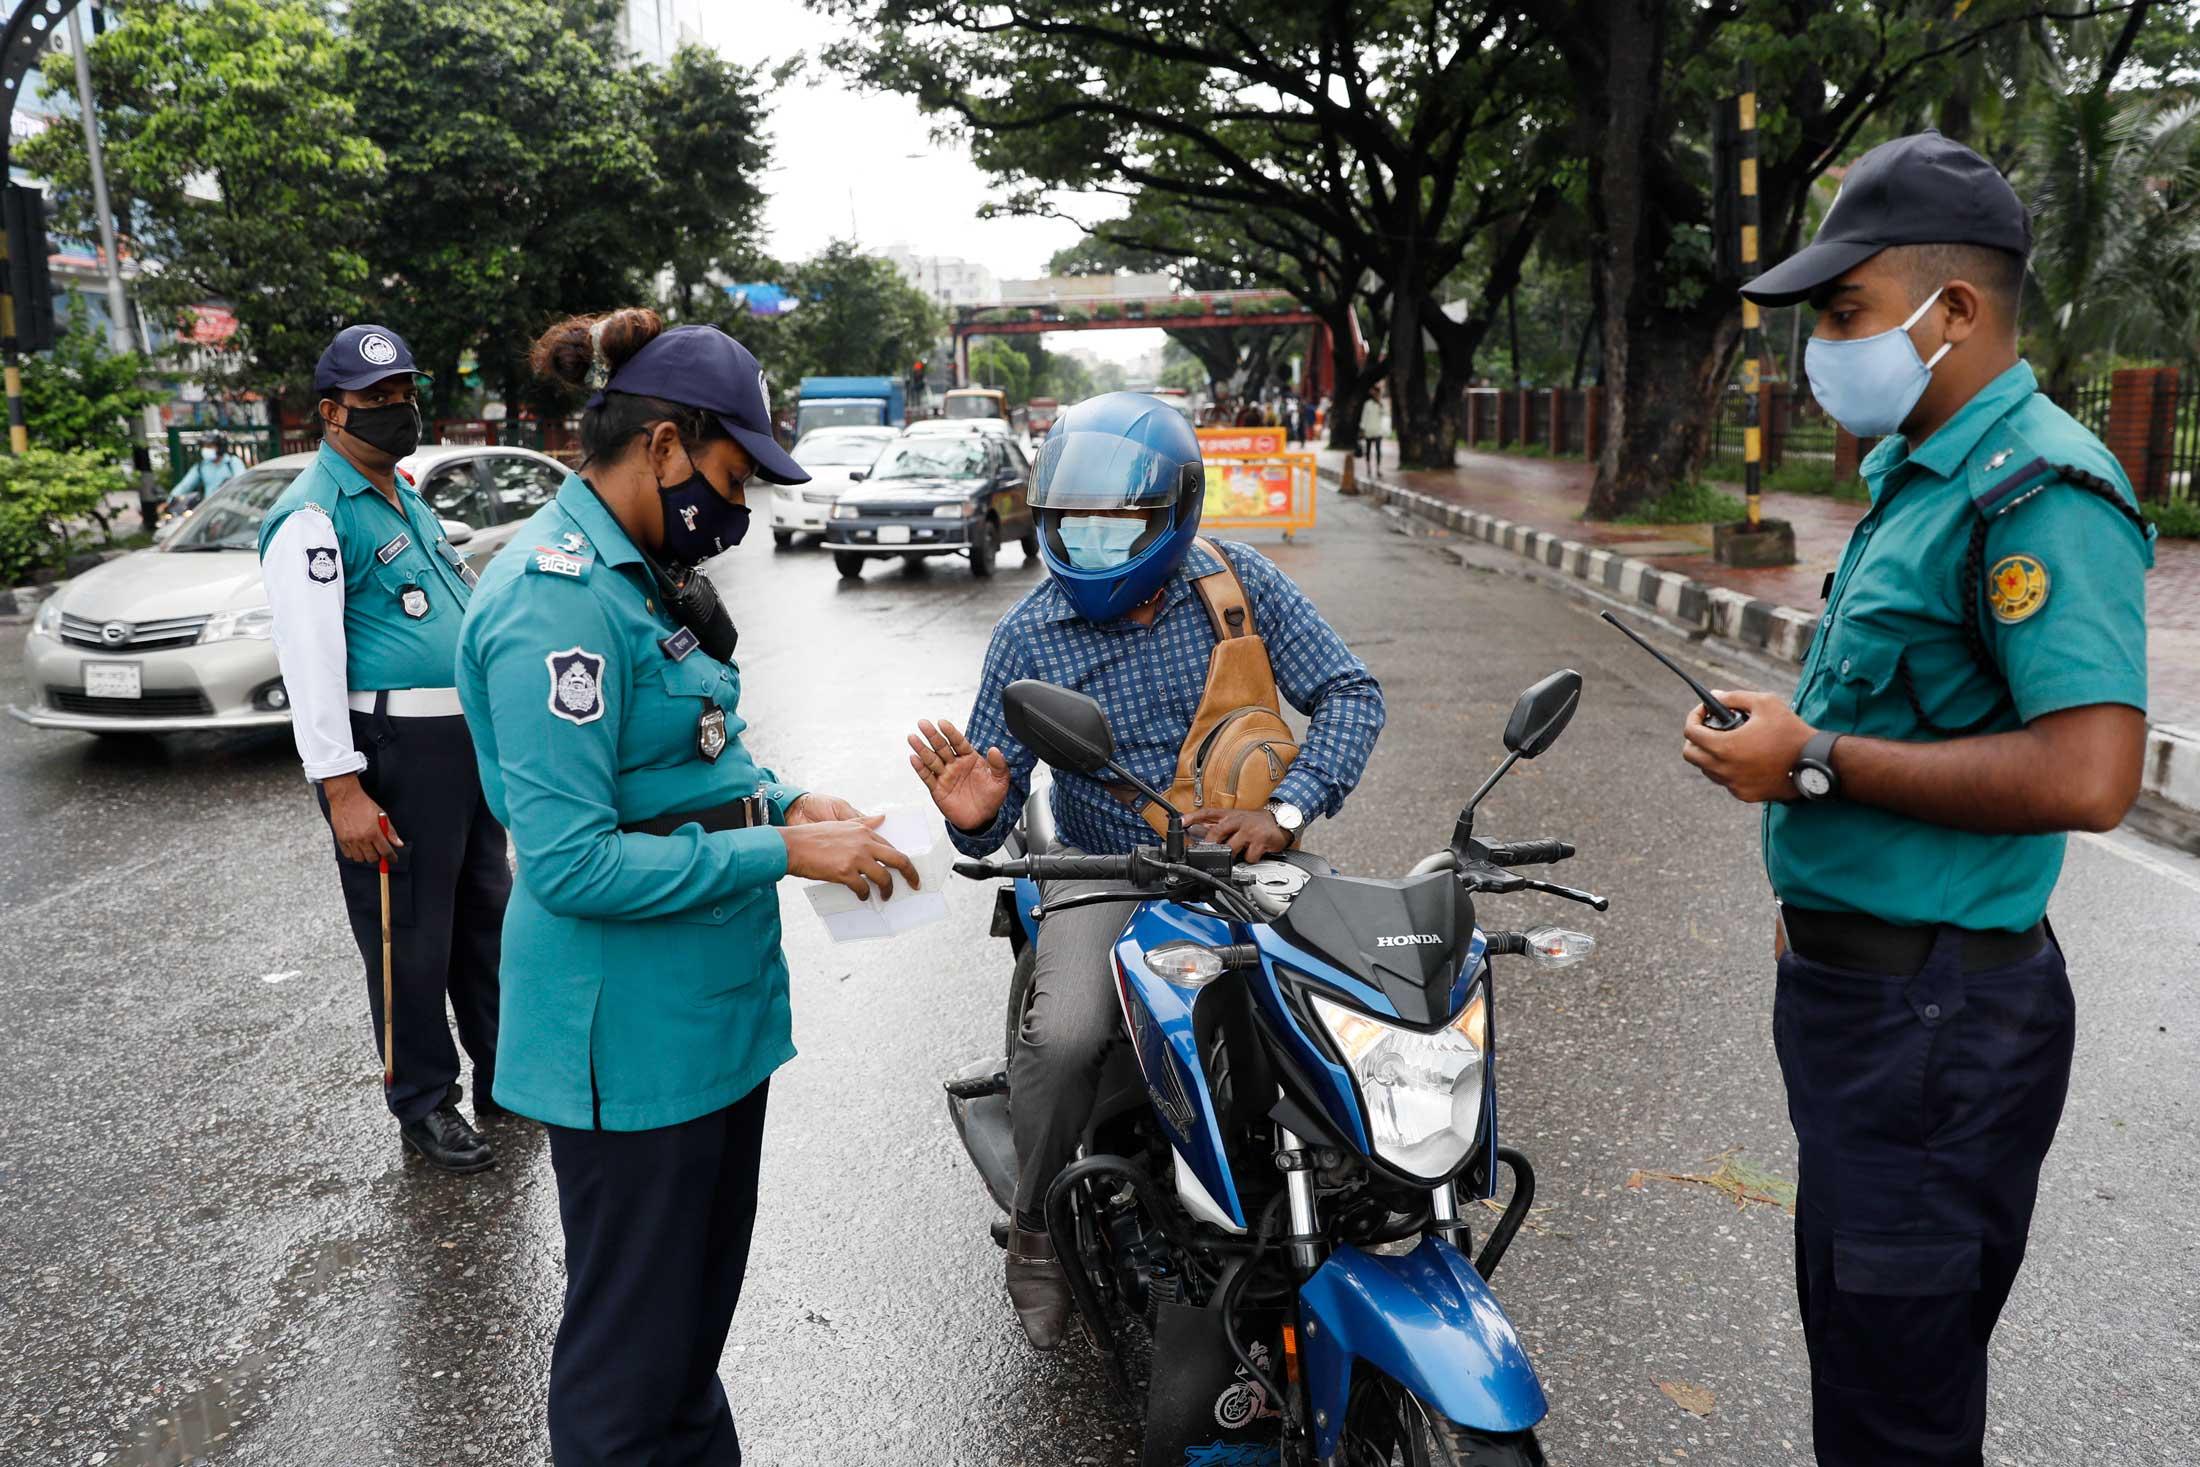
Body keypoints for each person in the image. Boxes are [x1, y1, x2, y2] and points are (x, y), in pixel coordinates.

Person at [1677, 132, 2154, 1467]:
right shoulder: (1918, 477)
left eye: (1843, 313)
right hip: (1871, 1007)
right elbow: (1896, 716)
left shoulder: (2038, 491)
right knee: (1870, 1354)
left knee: (1899, 1406)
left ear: (1954, 310)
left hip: (1935, 1031)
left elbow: (2090, 774)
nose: (1819, 348)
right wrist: (1806, 829)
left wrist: (1811, 760)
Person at [456, 309, 916, 1466]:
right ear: (663, 447)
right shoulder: (552, 600)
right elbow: (569, 861)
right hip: (632, 1052)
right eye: (730, 471)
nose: (744, 504)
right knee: (627, 1372)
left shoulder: (643, 573)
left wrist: (786, 799)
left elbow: (693, 758)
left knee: (685, 1347)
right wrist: (780, 853)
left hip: (709, 1027)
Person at [908, 391, 1386, 1349]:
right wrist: (976, 815)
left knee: (1359, 986)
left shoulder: (1236, 587)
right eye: (1069, 528)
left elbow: (1350, 693)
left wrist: (1285, 810)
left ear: (1177, 514)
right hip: (1107, 866)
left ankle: (1374, 1181)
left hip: (1246, 858)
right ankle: (1038, 1227)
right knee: (1070, 1030)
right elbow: (994, 805)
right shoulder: (1030, 634)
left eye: (1114, 526)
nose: (1089, 547)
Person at [257, 325, 507, 1175]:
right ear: (331, 414)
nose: (399, 411)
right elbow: (313, 664)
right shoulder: (312, 518)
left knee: (485, 917)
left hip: (462, 744)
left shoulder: (404, 495)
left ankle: (502, 1078)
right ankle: (424, 1101)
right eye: (377, 401)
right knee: (409, 935)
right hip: (391, 746)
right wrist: (342, 789)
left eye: (405, 394)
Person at [166, 430, 247, 519]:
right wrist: (171, 500)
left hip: (233, 511)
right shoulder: (202, 467)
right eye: (204, 446)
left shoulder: (232, 463)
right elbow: (185, 485)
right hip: (210, 511)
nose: (206, 449)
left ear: (219, 447)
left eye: (210, 446)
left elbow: (241, 482)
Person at [1358, 383, 1388, 472]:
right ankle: (1368, 467)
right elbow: (1364, 417)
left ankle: (1378, 469)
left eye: (1377, 393)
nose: (1375, 395)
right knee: (1368, 450)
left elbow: (1385, 414)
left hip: (1378, 431)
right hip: (1369, 431)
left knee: (1378, 450)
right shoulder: (1367, 404)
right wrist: (1362, 429)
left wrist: (1380, 405)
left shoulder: (1381, 404)